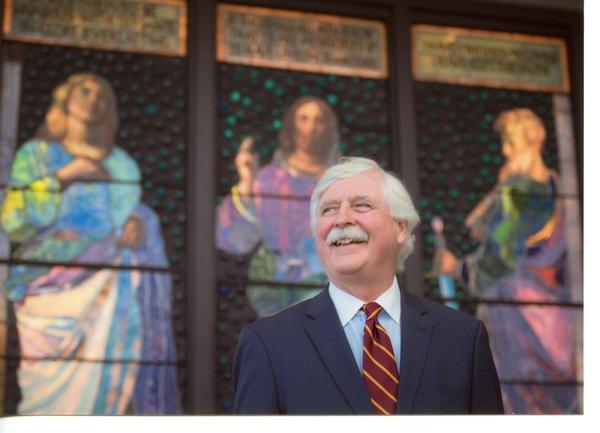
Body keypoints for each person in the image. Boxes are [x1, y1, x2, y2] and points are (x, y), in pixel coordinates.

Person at [233, 156, 503, 414]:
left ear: (400, 227)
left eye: (361, 205)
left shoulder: (463, 339)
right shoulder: (268, 345)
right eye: (329, 209)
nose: (342, 219)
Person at [0, 73, 179, 414]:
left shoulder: (120, 164)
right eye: (84, 91)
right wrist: (65, 177)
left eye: (102, 95)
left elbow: (123, 221)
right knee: (43, 402)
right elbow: (12, 220)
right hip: (47, 292)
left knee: (104, 390)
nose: (92, 100)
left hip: (107, 286)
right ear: (64, 99)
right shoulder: (36, 154)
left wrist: (134, 230)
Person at [438, 108, 578, 413]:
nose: (504, 151)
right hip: (557, 319)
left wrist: (455, 268)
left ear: (534, 142)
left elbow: (498, 257)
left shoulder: (521, 192)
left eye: (511, 144)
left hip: (521, 323)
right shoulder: (556, 185)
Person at [216, 96, 340, 317]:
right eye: (304, 119)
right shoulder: (268, 179)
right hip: (274, 291)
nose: (311, 127)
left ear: (328, 128)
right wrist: (247, 182)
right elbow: (234, 240)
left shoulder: (342, 183)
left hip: (332, 290)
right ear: (292, 126)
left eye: (319, 120)